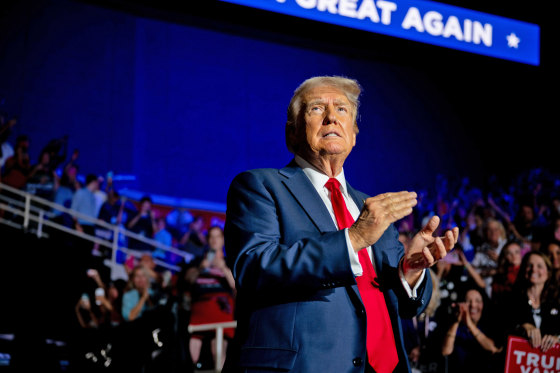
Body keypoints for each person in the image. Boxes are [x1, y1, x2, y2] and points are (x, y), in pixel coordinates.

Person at [222, 76, 459, 373]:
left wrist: (408, 274)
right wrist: (354, 239)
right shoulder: (260, 186)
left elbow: (408, 306)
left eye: (342, 110)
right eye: (317, 109)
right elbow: (254, 267)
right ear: (292, 133)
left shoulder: (370, 207)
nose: (332, 117)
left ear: (354, 133)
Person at [189, 226, 235, 370]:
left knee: (219, 345)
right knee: (195, 338)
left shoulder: (230, 261)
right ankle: (193, 367)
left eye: (217, 236)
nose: (214, 240)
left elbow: (235, 286)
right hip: (200, 306)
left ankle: (220, 369)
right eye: (211, 237)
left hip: (221, 305)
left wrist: (223, 268)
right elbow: (188, 280)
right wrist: (201, 268)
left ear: (222, 240)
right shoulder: (198, 261)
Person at [502, 250, 560, 352]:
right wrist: (522, 327)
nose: (534, 270)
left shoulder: (555, 302)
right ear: (523, 270)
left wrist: (557, 338)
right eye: (529, 265)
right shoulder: (511, 299)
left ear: (548, 273)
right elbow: (501, 331)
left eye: (539, 266)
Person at [441, 287, 501, 373]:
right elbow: (445, 351)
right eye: (468, 301)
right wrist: (456, 322)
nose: (473, 305)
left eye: (478, 301)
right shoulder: (455, 325)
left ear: (483, 304)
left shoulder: (489, 326)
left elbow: (492, 348)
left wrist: (469, 324)